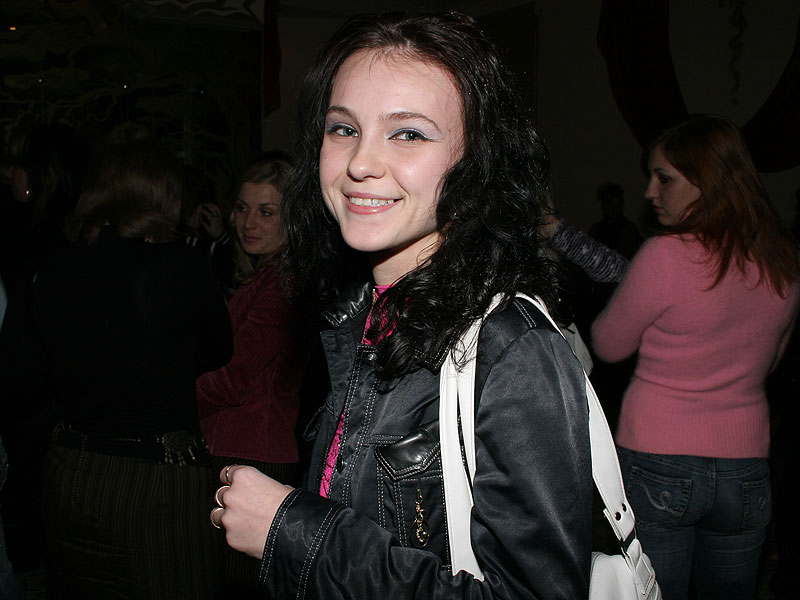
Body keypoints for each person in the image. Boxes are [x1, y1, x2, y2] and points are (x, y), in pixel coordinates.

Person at [210, 11, 593, 599]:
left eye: (408, 134)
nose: (360, 163)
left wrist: (294, 533)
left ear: (477, 159)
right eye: (343, 129)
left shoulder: (512, 351)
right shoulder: (358, 315)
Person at [0, 139, 233, 598]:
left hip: (71, 470)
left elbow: (24, 379)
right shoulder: (180, 264)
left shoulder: (53, 266)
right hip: (156, 476)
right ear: (163, 197)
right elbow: (218, 350)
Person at [590, 115, 800, 600]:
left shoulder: (666, 255)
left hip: (660, 457)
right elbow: (771, 362)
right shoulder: (783, 260)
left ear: (707, 182)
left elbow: (608, 343)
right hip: (746, 465)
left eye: (664, 178)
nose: (649, 191)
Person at [196, 155, 305, 596]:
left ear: (292, 219)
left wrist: (166, 398)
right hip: (241, 448)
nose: (248, 223)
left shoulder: (282, 282)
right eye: (242, 208)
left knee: (238, 585)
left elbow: (232, 377)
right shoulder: (264, 277)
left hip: (252, 452)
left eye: (266, 212)